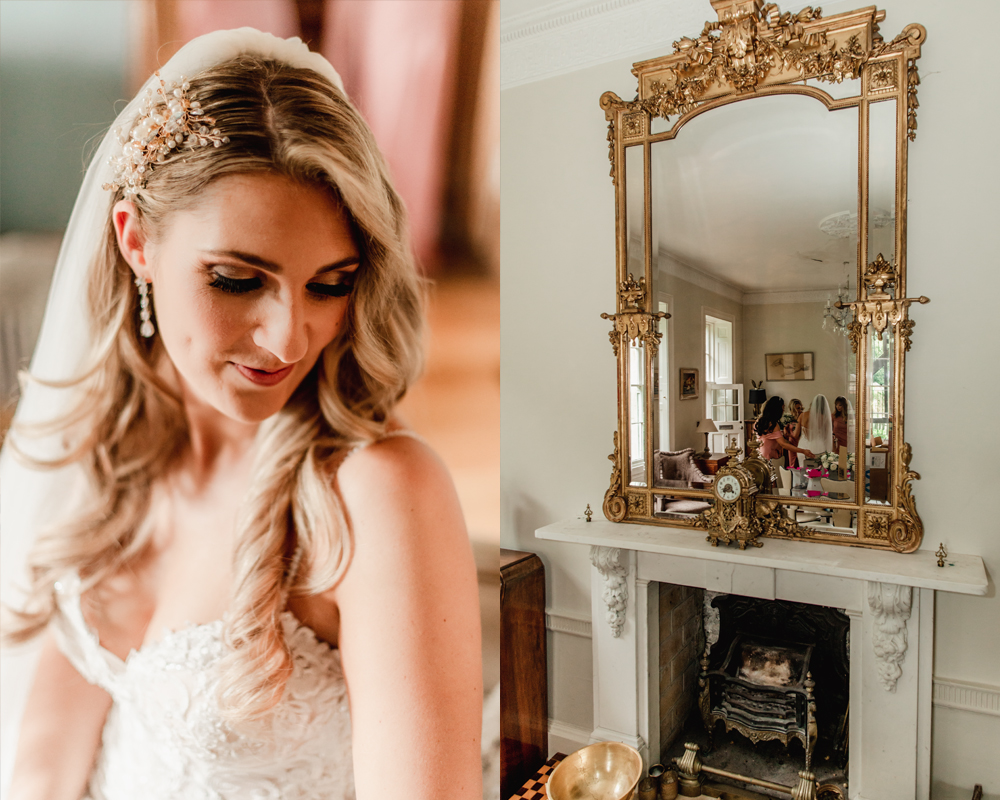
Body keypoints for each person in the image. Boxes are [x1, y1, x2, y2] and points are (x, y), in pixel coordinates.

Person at [0, 29, 482, 800]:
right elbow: (39, 770)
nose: (288, 335)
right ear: (136, 243)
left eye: (330, 283)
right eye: (235, 279)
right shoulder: (98, 454)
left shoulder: (378, 494)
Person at [755, 396, 815, 463]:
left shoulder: (758, 421)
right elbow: (783, 444)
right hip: (769, 455)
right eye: (783, 408)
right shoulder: (773, 425)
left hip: (759, 453)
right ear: (777, 409)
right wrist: (803, 451)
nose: (783, 410)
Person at [797, 394, 834, 470]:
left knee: (803, 471)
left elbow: (795, 434)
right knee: (818, 472)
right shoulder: (825, 418)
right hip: (819, 448)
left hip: (803, 448)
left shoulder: (802, 415)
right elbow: (826, 436)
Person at [782, 398, 804, 469]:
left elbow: (797, 434)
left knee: (800, 465)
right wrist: (785, 430)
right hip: (791, 444)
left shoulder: (802, 418)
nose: (799, 410)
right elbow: (786, 430)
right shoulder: (790, 419)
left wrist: (789, 434)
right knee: (792, 465)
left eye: (799, 408)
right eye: (797, 408)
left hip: (800, 443)